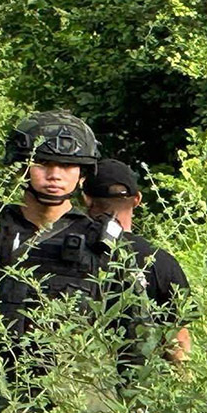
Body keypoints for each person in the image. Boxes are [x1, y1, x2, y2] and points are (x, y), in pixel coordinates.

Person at [0, 111, 164, 413]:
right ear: (22, 166)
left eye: (66, 166)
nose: (55, 175)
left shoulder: (104, 245)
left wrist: (140, 410)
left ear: (82, 175)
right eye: (44, 163)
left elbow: (135, 335)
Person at [81, 158, 192, 371]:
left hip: (72, 387)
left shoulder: (68, 249)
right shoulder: (162, 261)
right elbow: (179, 343)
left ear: (86, 198)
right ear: (137, 199)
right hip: (137, 389)